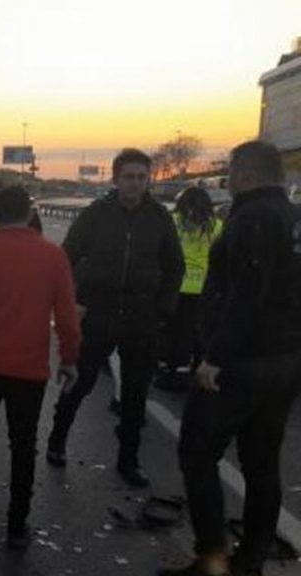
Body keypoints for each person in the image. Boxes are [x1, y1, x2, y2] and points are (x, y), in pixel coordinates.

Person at [162, 141, 301, 576]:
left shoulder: (252, 218)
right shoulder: (294, 218)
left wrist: (214, 358)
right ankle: (251, 560)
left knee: (197, 453)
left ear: (244, 173)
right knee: (262, 463)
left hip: (240, 365)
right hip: (284, 362)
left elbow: (246, 295)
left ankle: (212, 559)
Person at [45, 148, 185, 488]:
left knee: (136, 393)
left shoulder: (159, 217)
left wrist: (162, 308)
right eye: (129, 177)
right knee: (80, 381)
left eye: (141, 177)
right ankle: (57, 440)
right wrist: (76, 301)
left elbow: (175, 266)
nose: (135, 184)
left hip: (141, 316)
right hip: (99, 313)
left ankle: (129, 460)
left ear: (148, 179)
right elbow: (67, 256)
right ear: (115, 178)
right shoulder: (97, 214)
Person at [0, 186, 81, 550]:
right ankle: (17, 524)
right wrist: (69, 359)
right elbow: (68, 319)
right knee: (23, 445)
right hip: (29, 370)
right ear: (29, 214)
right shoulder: (53, 258)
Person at [155, 186, 222, 392]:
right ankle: (198, 367)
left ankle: (174, 370)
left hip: (177, 286)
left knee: (176, 331)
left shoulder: (173, 222)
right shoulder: (217, 225)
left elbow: (161, 252)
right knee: (199, 331)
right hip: (204, 288)